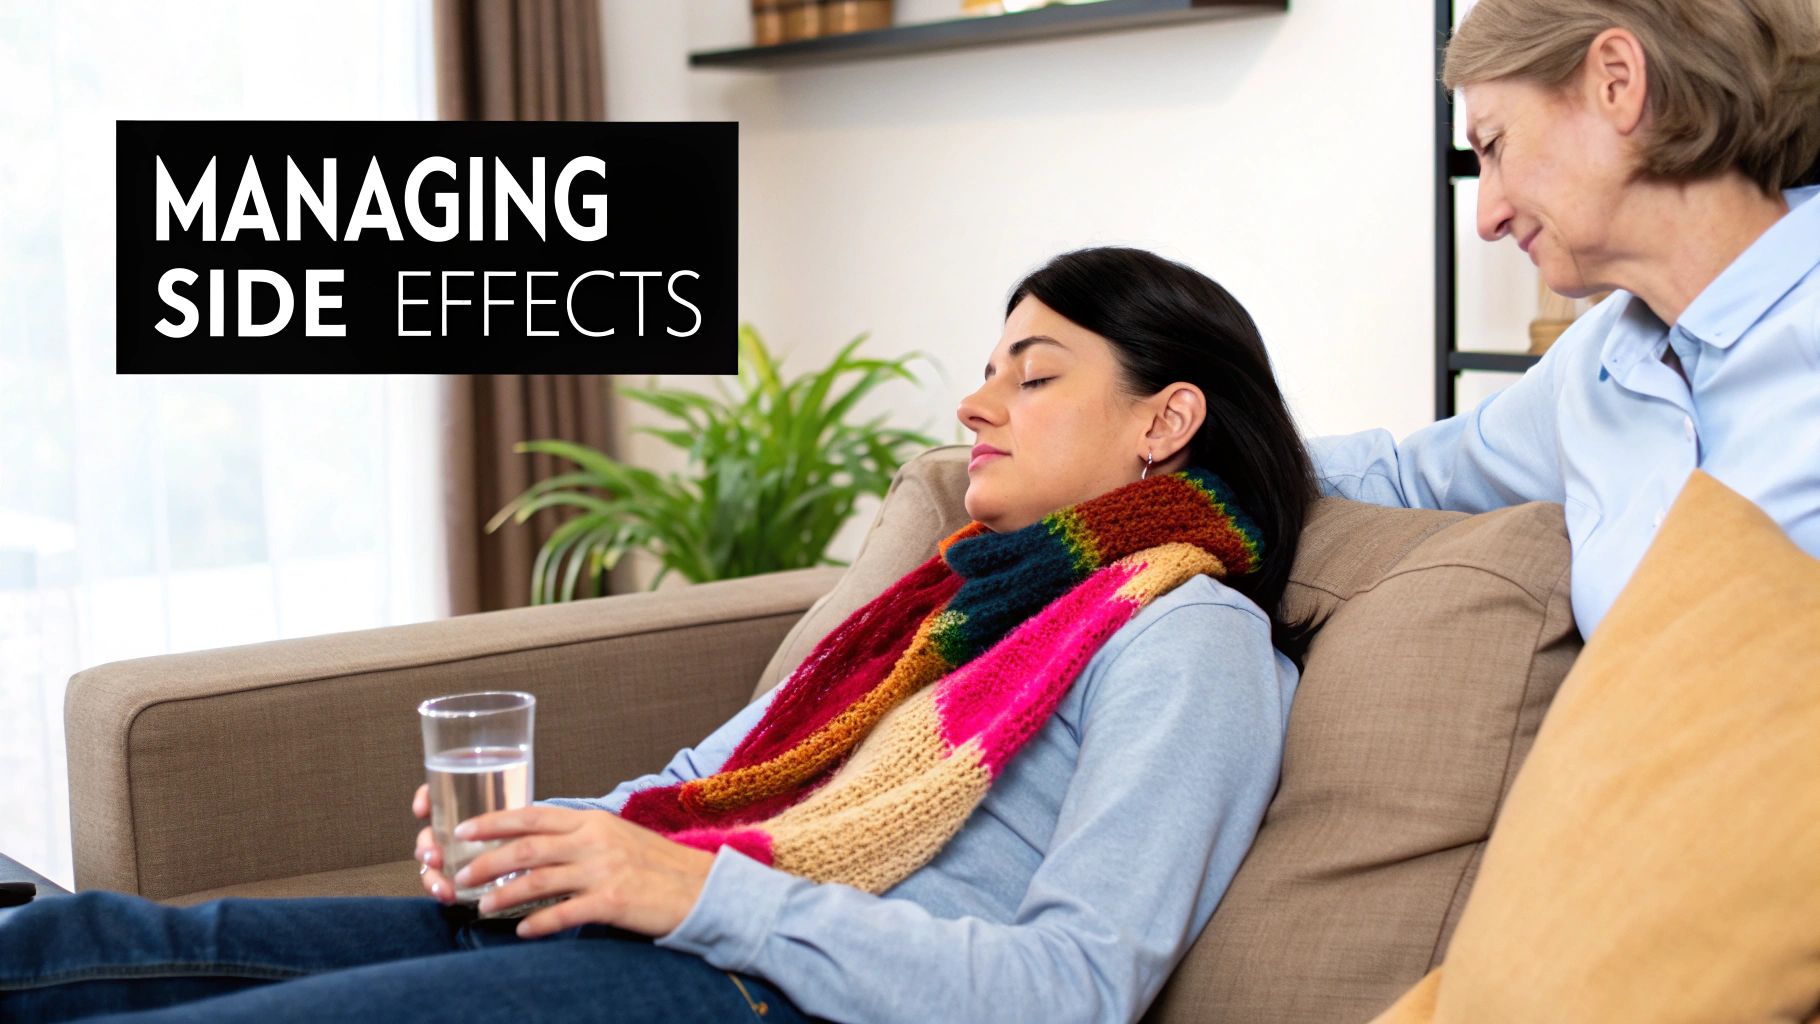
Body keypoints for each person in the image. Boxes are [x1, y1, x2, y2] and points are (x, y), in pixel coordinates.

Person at [0, 246, 1316, 1024]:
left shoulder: (1187, 640)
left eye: (1034, 372)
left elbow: (1071, 991)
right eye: (988, 366)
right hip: (661, 934)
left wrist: (695, 893)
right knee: (73, 948)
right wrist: (552, 844)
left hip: (761, 995)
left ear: (1166, 419)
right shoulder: (957, 601)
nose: (975, 402)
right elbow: (714, 774)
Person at [1314, 0, 1820, 639]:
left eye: (1494, 145)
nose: (1487, 217)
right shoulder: (1595, 367)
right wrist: (1187, 448)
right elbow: (1405, 478)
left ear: (1616, 81)